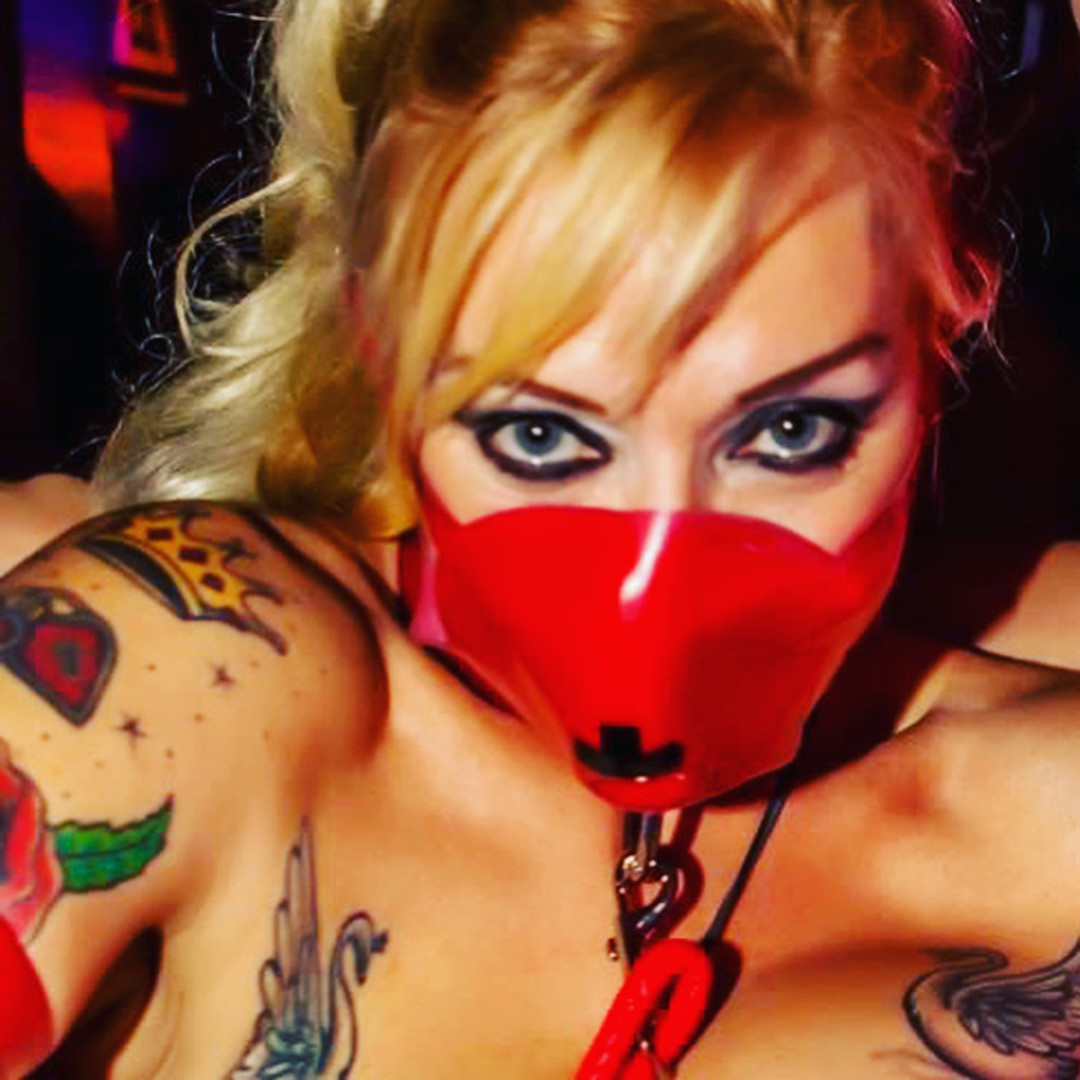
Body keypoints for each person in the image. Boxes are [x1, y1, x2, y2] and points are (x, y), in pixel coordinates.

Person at [4, 1, 1080, 1077]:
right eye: (538, 435)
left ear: (942, 333)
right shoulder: (181, 671)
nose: (659, 588)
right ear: (379, 352)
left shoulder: (1041, 807)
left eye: (792, 431)